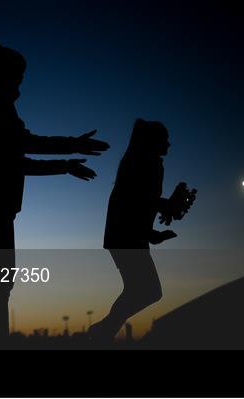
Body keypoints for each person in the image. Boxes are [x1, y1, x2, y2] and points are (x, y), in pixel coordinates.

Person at [0, 43, 109, 344]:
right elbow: (24, 146)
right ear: (3, 74)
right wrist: (71, 147)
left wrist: (66, 163)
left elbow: (17, 161)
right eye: (17, 76)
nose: (20, 82)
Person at [88, 118, 196, 342]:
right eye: (165, 140)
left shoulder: (139, 161)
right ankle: (102, 330)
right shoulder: (149, 163)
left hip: (123, 236)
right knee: (147, 291)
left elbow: (140, 203)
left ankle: (103, 331)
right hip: (127, 236)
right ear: (153, 142)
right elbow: (141, 201)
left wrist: (154, 232)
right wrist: (167, 207)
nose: (169, 144)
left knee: (139, 290)